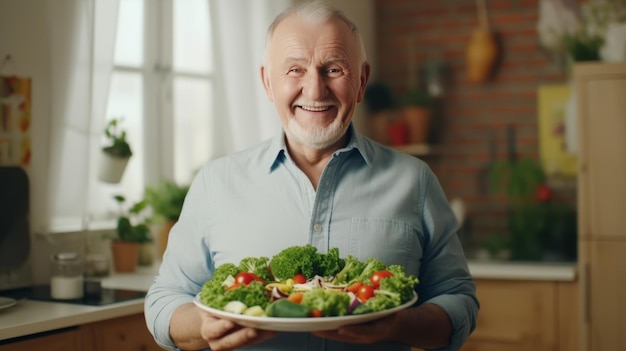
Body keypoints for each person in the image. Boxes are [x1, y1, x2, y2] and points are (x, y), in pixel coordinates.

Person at [145, 1, 478, 350]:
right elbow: (163, 302)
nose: (315, 90)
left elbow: (458, 301)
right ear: (267, 82)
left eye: (333, 69)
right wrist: (204, 325)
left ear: (362, 81)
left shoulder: (415, 180)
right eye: (295, 70)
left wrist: (399, 325)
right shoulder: (216, 183)